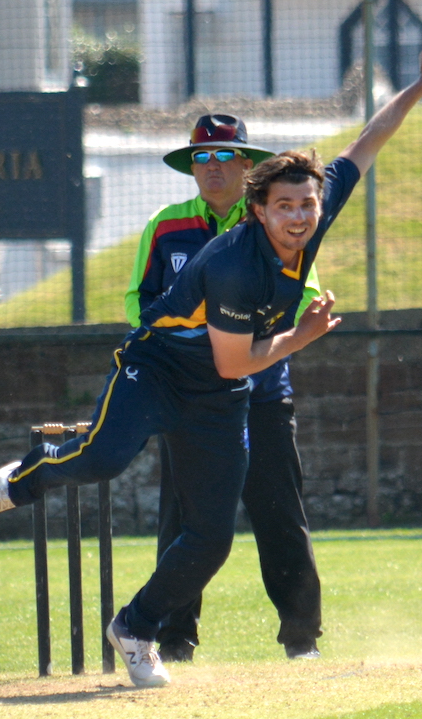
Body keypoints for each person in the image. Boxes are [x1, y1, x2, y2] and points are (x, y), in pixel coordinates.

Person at [0, 33, 422, 688]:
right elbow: (235, 362)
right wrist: (304, 335)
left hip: (220, 397)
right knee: (102, 459)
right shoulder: (234, 267)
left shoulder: (311, 210)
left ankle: (135, 628)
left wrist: (421, 85)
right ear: (259, 209)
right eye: (286, 208)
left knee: (211, 539)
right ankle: (13, 484)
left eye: (308, 205)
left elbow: (366, 143)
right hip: (160, 371)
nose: (300, 217)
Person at [125, 113, 325, 662]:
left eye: (225, 156)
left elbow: (303, 294)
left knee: (279, 512)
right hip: (190, 397)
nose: (212, 168)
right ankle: (172, 639)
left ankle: (301, 638)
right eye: (202, 158)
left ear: (246, 166)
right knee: (184, 520)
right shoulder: (165, 225)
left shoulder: (274, 221)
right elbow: (138, 302)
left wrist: (253, 337)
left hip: (260, 391)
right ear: (192, 167)